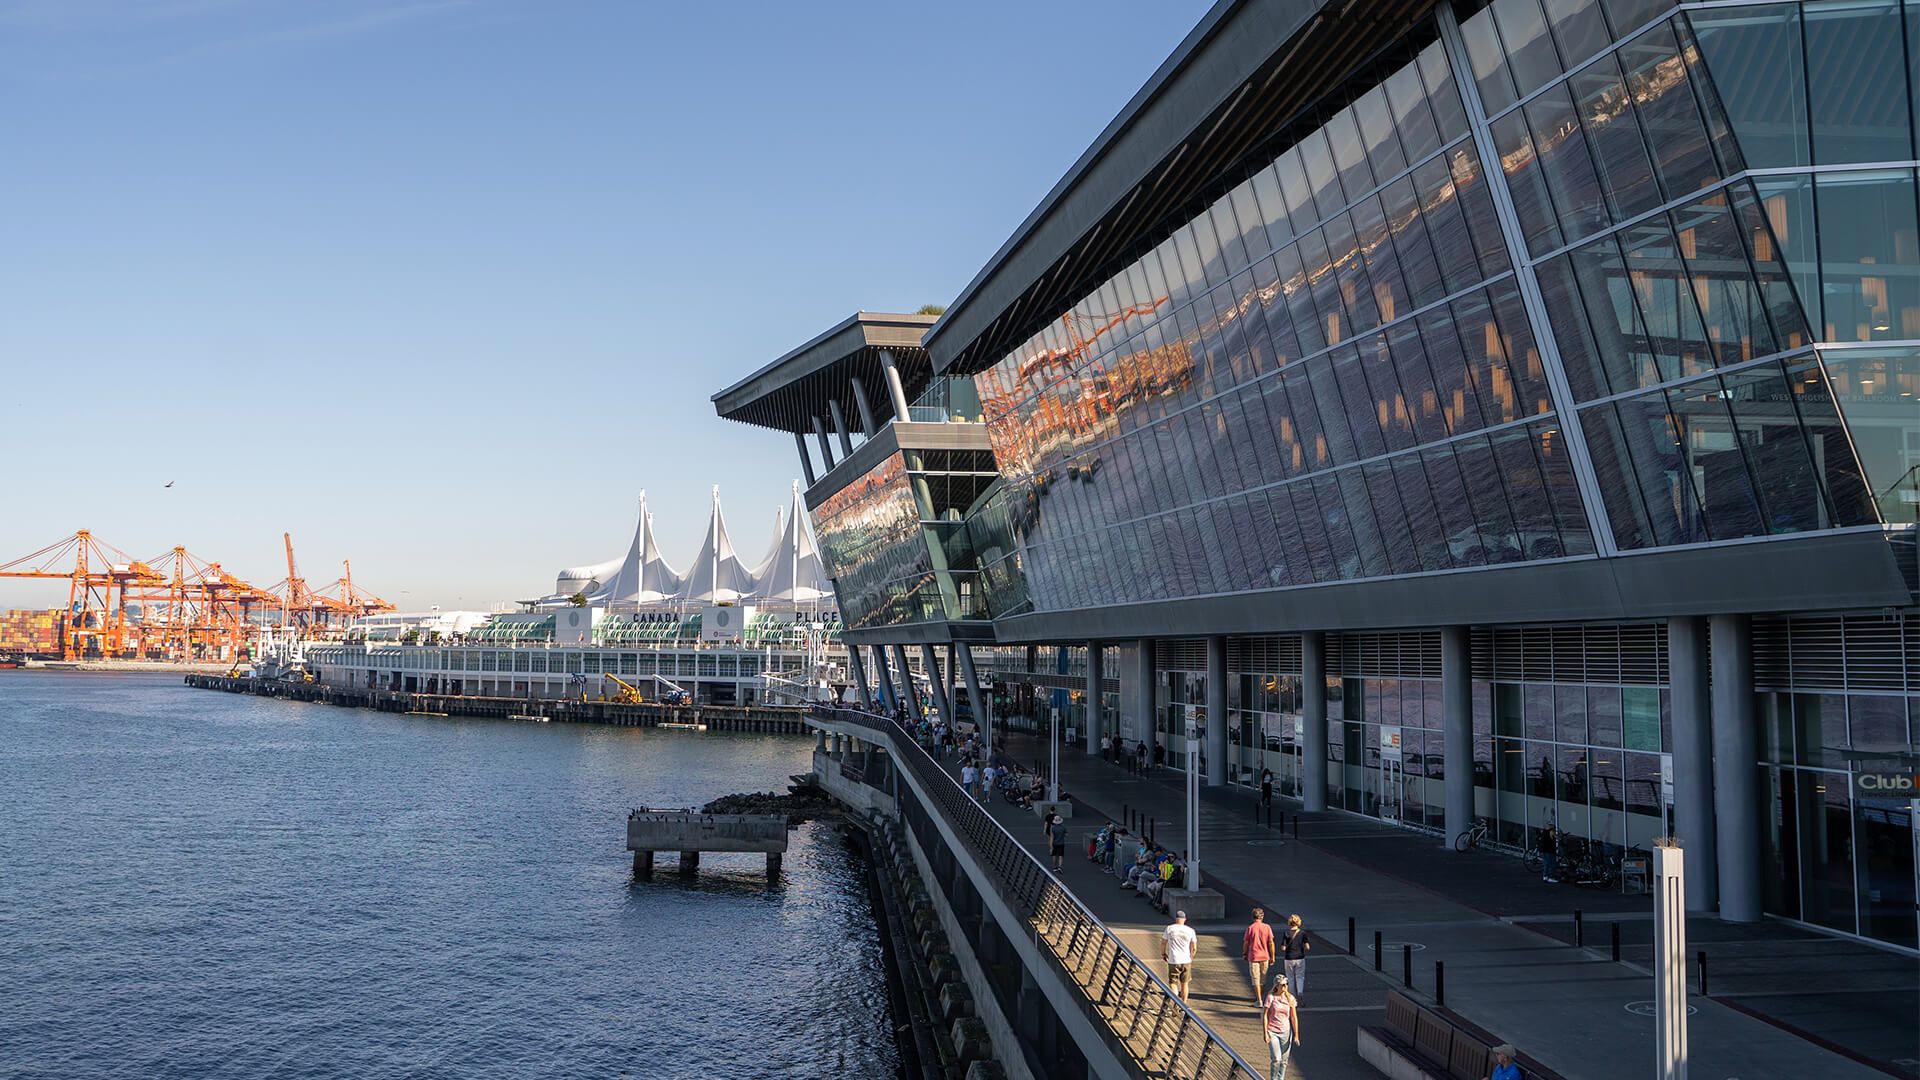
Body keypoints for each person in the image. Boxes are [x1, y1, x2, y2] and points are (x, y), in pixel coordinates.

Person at [1262, 975, 1301, 1080]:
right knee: (1276, 1059)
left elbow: (1293, 1017)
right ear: (1277, 986)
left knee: (1284, 1061)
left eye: (1286, 985)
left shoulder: (1290, 999)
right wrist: (1265, 1033)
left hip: (1286, 1032)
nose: (1285, 987)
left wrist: (1296, 1034)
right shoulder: (1271, 997)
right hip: (1272, 1031)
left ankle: (1281, 1078)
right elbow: (1265, 1015)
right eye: (1282, 985)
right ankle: (1273, 1078)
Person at [1242, 907, 1276, 1006]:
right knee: (1263, 978)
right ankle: (1261, 996)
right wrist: (1272, 956)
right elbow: (1271, 943)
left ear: (1253, 917)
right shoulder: (1267, 927)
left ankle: (1259, 1000)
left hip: (1253, 956)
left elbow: (1246, 942)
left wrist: (1244, 953)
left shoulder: (1250, 928)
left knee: (1255, 978)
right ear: (1262, 916)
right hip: (1265, 956)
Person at [1162, 910, 1197, 1001]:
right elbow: (1194, 947)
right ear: (1184, 919)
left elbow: (1163, 943)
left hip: (1173, 960)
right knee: (1185, 984)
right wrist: (1191, 956)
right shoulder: (1190, 930)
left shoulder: (1169, 928)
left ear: (1176, 919)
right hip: (1186, 960)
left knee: (1173, 983)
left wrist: (1163, 953)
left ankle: (1175, 996)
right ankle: (1184, 1005)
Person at [1280, 914, 1309, 996]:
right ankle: (1300, 992)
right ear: (1299, 922)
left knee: (1290, 978)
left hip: (1289, 958)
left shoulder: (1286, 933)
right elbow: (1307, 947)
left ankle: (1292, 996)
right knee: (1300, 977)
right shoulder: (1303, 933)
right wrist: (1302, 948)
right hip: (1300, 957)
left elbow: (1283, 948)